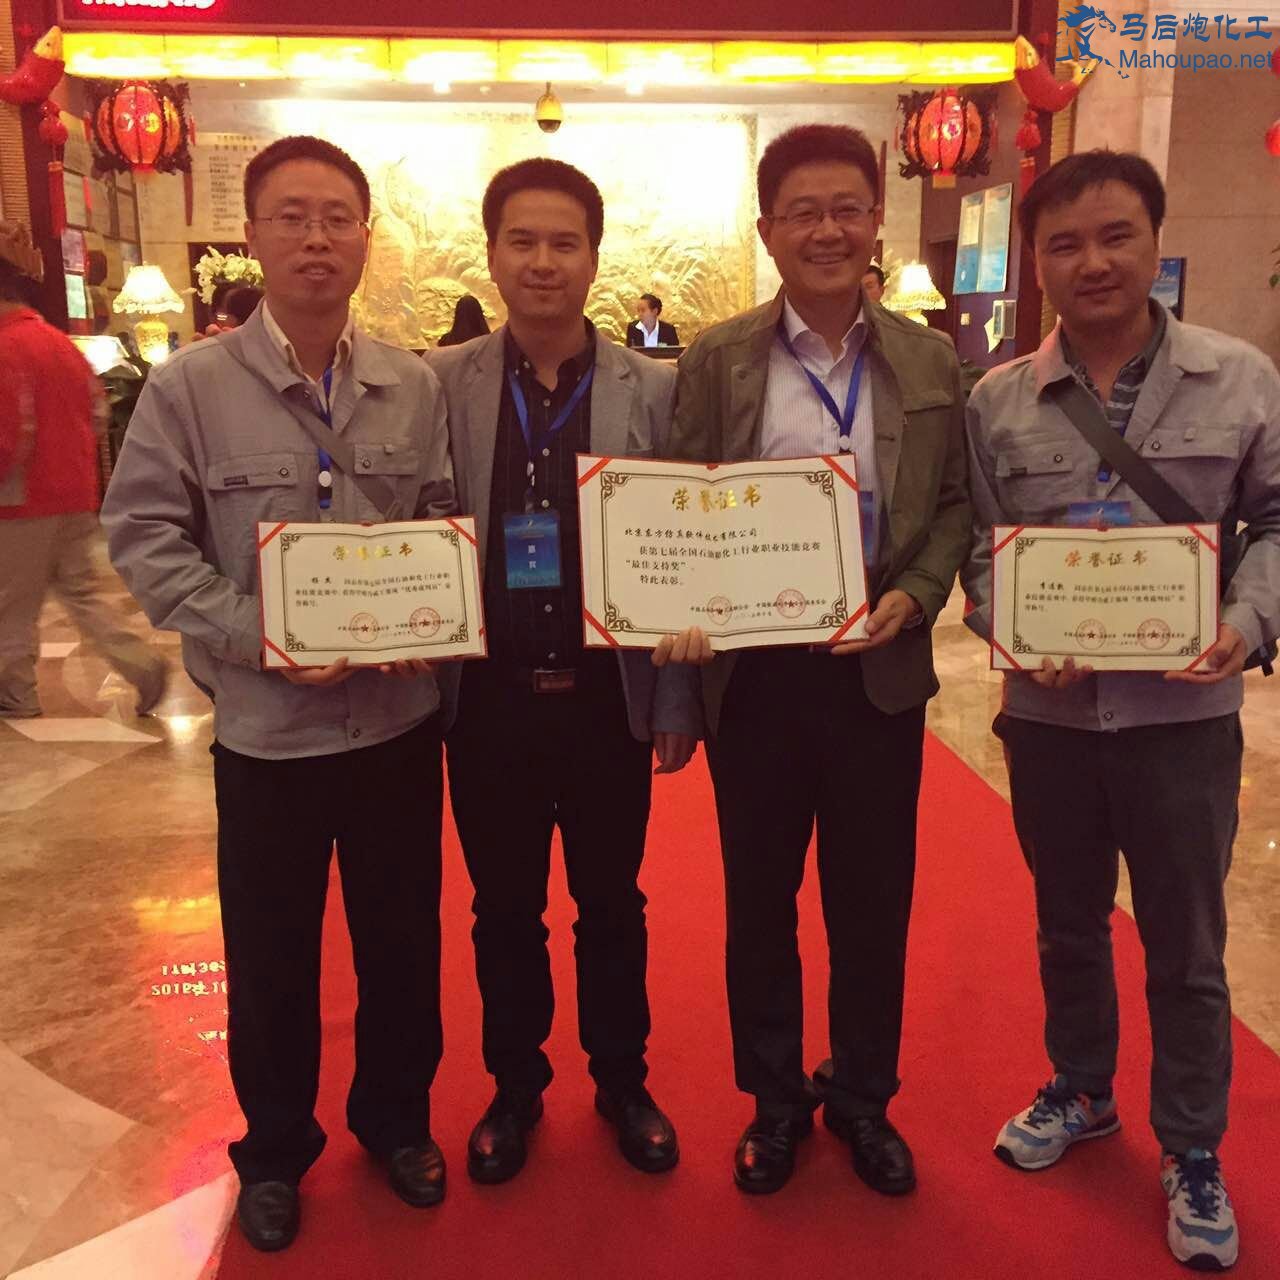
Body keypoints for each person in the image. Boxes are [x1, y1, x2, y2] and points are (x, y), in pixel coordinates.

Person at [101, 136, 456, 1252]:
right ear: (251, 237)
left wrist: (428, 620)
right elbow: (144, 537)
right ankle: (274, 1150)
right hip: (268, 738)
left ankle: (396, 1122)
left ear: (365, 238)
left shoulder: (412, 383)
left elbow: (436, 518)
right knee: (271, 958)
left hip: (395, 728)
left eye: (337, 217)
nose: (316, 239)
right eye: (292, 217)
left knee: (402, 943)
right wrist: (258, 636)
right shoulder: (190, 388)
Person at [962, 150, 1279, 1273]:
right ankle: (1083, 1087)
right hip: (1048, 721)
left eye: (1114, 236)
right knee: (1066, 920)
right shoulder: (997, 400)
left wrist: (1246, 619)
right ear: (1037, 262)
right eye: (1064, 243)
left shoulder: (1239, 379)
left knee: (1187, 943)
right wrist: (1007, 623)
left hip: (1181, 722)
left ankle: (1192, 1144)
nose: (1091, 261)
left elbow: (1276, 522)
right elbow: (979, 547)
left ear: (1153, 240)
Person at [656, 124, 970, 1196]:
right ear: (767, 230)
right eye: (802, 211)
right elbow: (681, 495)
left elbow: (953, 505)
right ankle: (775, 1101)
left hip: (876, 673)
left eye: (845, 208)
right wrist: (682, 621)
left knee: (872, 904)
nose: (826, 230)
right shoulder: (718, 358)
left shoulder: (927, 359)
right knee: (759, 903)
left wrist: (915, 592)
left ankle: (864, 1098)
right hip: (756, 678)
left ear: (875, 221)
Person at [424, 158, 701, 1186]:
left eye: (563, 242)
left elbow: (687, 545)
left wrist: (676, 697)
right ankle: (514, 1085)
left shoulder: (655, 390)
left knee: (612, 903)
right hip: (486, 701)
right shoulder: (438, 382)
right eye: (523, 241)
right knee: (502, 908)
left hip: (603, 700)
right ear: (492, 254)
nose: (543, 261)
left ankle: (623, 1080)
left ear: (593, 256)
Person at [0, 243, 166, 718]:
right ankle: (141, 664)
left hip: (21, 500)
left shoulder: (5, 348)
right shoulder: (59, 343)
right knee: (81, 592)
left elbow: (8, 433)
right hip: (75, 493)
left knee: (10, 604)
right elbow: (97, 412)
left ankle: (14, 694)